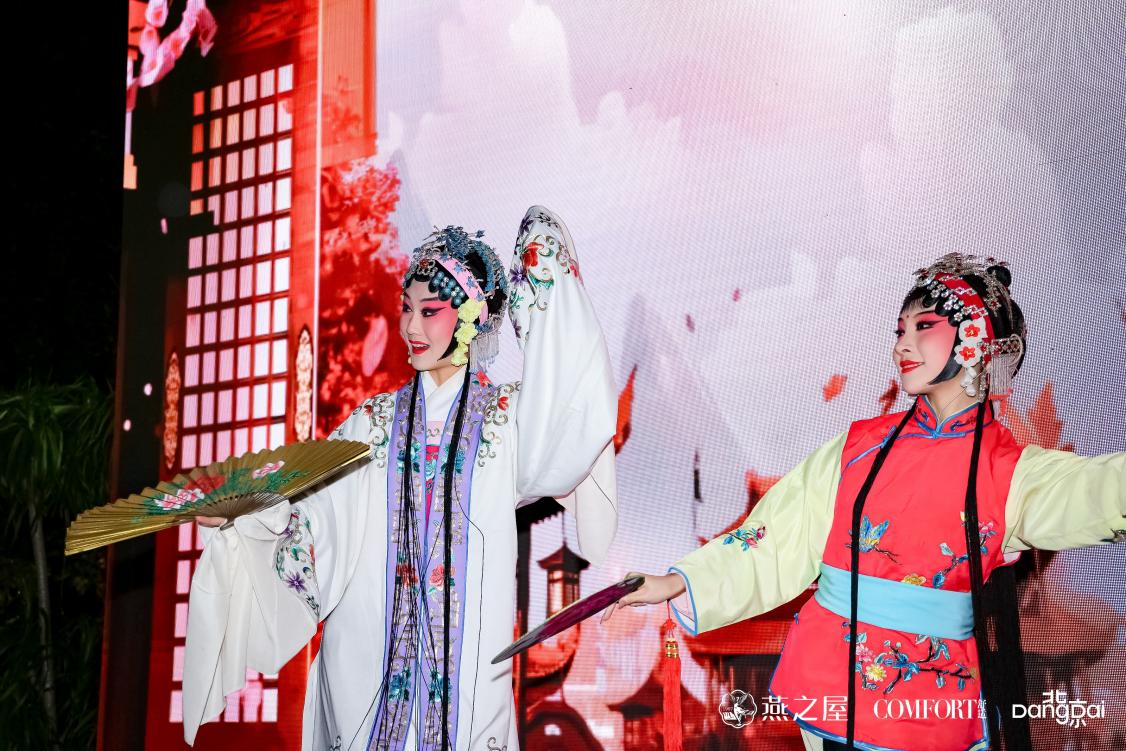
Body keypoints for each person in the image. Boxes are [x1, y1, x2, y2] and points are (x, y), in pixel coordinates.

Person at [607, 253, 1124, 751]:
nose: (902, 344)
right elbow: (777, 538)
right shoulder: (858, 447)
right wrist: (679, 581)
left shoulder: (1007, 469)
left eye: (923, 327)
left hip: (929, 696)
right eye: (900, 330)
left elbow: (1095, 490)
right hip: (833, 678)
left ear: (974, 340)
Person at [182, 206, 619, 750]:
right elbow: (320, 514)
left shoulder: (506, 420)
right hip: (368, 669)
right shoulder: (374, 422)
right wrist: (259, 515)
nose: (411, 327)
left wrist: (542, 260)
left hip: (468, 685)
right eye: (406, 308)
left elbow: (568, 409)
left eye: (430, 311)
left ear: (472, 318)